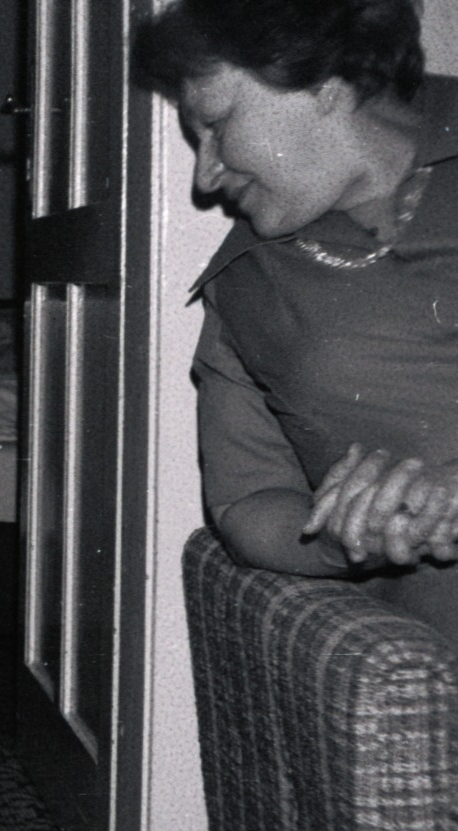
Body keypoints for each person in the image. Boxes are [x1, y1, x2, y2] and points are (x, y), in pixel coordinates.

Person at [134, 0, 457, 645]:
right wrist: (338, 539)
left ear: (321, 81)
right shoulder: (245, 280)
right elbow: (246, 503)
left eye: (217, 123)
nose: (205, 176)